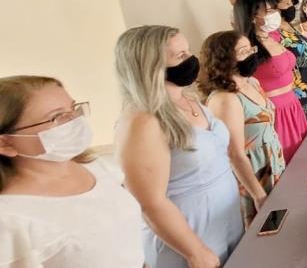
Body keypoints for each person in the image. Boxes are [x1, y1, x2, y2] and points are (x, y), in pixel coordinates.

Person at [114, 26, 243, 268]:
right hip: (190, 237)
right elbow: (150, 202)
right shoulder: (143, 122)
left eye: (188, 51)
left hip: (226, 224)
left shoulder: (189, 99)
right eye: (180, 56)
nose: (191, 60)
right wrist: (196, 252)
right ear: (151, 66)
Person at [0, 76, 144, 268]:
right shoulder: (10, 217)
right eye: (56, 117)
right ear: (5, 143)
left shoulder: (95, 167)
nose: (75, 120)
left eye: (73, 108)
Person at [198, 32, 286, 226]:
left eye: (251, 49)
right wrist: (259, 195)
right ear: (224, 59)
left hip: (273, 164)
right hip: (253, 175)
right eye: (243, 52)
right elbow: (234, 154)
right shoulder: (225, 99)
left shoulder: (252, 83)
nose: (251, 55)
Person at [235, 0, 307, 161]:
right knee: (287, 162)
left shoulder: (274, 36)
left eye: (273, 9)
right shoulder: (247, 47)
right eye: (268, 11)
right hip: (274, 111)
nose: (275, 14)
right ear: (252, 16)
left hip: (293, 105)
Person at [262, 0, 307, 125]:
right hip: (299, 93)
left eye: (291, 2)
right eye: (286, 3)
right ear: (272, 7)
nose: (291, 7)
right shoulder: (272, 34)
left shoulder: (289, 25)